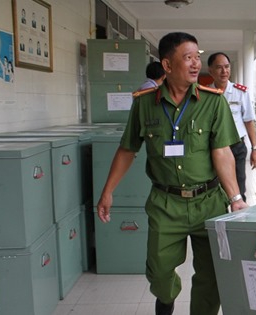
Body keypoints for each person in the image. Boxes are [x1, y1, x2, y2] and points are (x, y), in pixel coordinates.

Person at [96, 32, 247, 315]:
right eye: (187, 58)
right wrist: (107, 191)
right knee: (160, 272)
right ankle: (166, 302)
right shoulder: (144, 103)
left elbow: (222, 152)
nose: (195, 64)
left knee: (211, 276)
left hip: (209, 202)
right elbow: (128, 149)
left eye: (197, 58)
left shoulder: (213, 102)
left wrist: (235, 197)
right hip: (165, 203)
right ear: (167, 65)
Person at [207, 52, 256, 202]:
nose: (224, 71)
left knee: (239, 188)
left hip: (236, 146)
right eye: (219, 68)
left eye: (227, 67)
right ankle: (220, 222)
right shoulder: (205, 94)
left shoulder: (240, 92)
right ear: (210, 70)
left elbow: (249, 121)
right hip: (214, 146)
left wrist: (255, 148)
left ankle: (239, 223)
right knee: (216, 188)